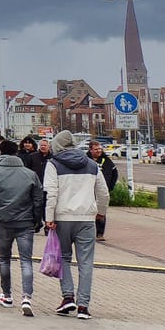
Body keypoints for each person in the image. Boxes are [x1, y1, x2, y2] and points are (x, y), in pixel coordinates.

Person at [42, 130, 109, 319]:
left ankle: (68, 296)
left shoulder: (53, 165)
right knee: (86, 262)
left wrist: (49, 218)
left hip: (62, 218)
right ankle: (83, 306)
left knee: (63, 257)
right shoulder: (92, 165)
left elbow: (51, 194)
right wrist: (101, 213)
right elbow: (103, 193)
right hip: (87, 219)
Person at [0, 138, 45, 315]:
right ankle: (26, 297)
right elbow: (38, 199)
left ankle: (7, 295)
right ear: (16, 152)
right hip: (25, 222)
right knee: (26, 260)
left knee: (4, 259)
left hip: (3, 221)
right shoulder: (29, 174)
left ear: (0, 152)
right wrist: (36, 220)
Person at [88, 140, 120, 240]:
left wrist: (110, 187)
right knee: (89, 212)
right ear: (90, 150)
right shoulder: (85, 159)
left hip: (101, 191)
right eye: (96, 149)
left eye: (100, 149)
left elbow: (115, 173)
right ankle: (89, 232)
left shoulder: (106, 160)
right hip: (88, 191)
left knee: (101, 211)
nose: (98, 151)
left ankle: (100, 234)